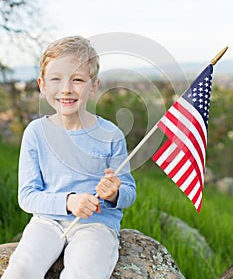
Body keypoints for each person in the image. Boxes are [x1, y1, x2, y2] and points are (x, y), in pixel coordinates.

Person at [2, 35, 136, 279]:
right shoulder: (36, 133)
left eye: (77, 80)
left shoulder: (110, 135)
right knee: (20, 270)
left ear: (94, 86)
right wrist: (68, 201)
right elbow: (27, 196)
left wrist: (114, 193)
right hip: (47, 222)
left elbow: (129, 192)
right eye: (56, 79)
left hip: (96, 224)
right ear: (42, 85)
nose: (66, 89)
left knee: (83, 273)